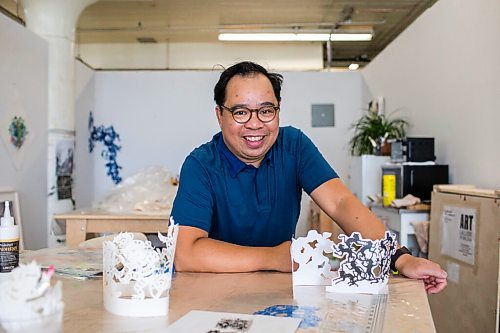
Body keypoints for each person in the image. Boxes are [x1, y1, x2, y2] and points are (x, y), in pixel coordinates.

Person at [171, 61, 447, 294]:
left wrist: (400, 257)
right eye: (240, 112)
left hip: (279, 287)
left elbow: (340, 203)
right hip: (213, 289)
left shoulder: (293, 145)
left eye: (266, 111)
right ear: (220, 115)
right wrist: (277, 256)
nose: (255, 124)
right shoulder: (201, 165)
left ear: (278, 110)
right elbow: (186, 254)